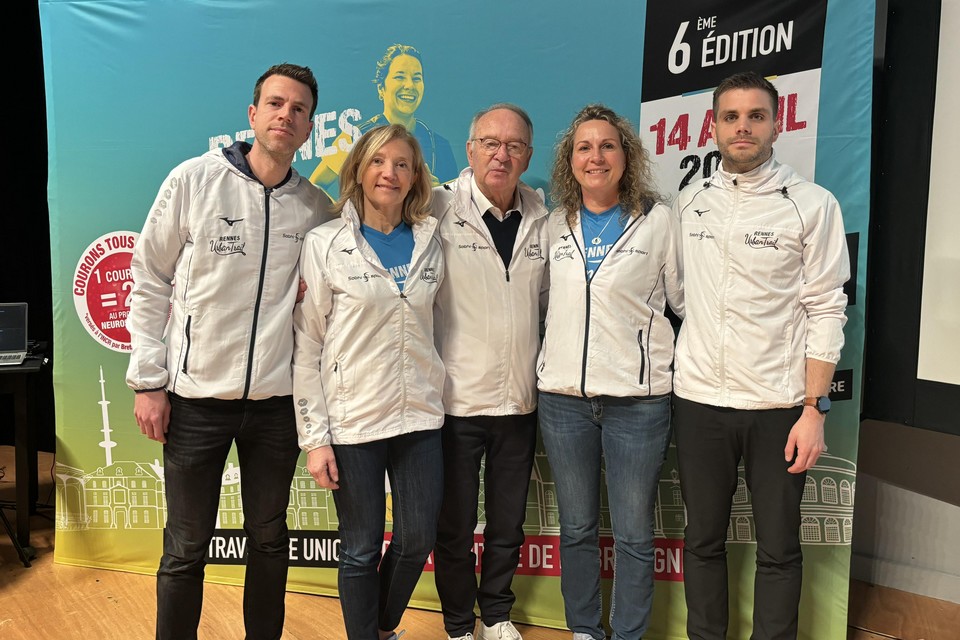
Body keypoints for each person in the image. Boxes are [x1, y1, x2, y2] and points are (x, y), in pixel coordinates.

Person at [125, 63, 326, 639]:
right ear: (252, 114)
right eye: (276, 104)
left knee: (269, 538)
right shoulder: (193, 180)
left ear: (309, 127)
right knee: (186, 548)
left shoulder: (314, 207)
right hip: (194, 403)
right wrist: (148, 381)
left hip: (275, 405)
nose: (286, 115)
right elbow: (148, 278)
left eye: (299, 109)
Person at [672, 71, 850, 640]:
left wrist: (814, 408)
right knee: (701, 541)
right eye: (731, 117)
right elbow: (678, 295)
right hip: (698, 401)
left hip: (779, 406)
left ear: (778, 123)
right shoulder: (689, 201)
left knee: (778, 548)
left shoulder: (813, 205)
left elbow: (827, 308)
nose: (742, 127)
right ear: (714, 126)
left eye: (755, 116)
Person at [292, 124, 445, 640]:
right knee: (359, 546)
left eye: (403, 164)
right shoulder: (325, 242)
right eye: (379, 161)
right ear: (358, 169)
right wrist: (315, 440)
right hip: (353, 420)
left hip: (420, 414)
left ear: (415, 176)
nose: (390, 173)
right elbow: (307, 344)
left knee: (417, 537)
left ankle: (378, 627)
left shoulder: (431, 238)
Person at [537, 104, 683, 640]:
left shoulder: (659, 219)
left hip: (637, 403)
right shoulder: (554, 224)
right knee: (575, 529)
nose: (595, 157)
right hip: (563, 402)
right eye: (583, 147)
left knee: (634, 534)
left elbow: (685, 301)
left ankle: (627, 634)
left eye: (607, 146)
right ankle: (583, 630)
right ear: (569, 161)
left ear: (627, 156)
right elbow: (541, 303)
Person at [431, 104, 549, 640]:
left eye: (515, 146)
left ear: (528, 155)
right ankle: (458, 624)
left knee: (507, 525)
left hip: (519, 403)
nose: (502, 155)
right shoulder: (434, 207)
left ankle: (497, 616)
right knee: (453, 527)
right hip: (454, 403)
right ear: (471, 147)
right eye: (490, 143)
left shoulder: (544, 217)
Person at [310, 43, 458, 201]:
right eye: (400, 77)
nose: (409, 85)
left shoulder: (438, 144)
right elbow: (316, 184)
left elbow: (455, 201)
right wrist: (342, 218)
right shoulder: (356, 137)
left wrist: (436, 192)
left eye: (416, 78)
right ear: (381, 88)